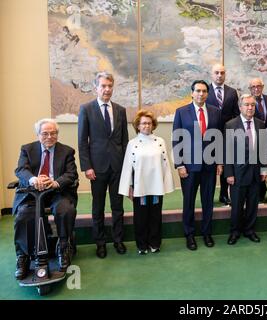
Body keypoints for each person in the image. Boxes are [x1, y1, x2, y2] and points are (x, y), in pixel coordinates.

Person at [13, 118, 78, 279]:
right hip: (33, 192)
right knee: (24, 214)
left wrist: (55, 182)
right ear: (38, 134)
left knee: (65, 210)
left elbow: (71, 174)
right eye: (45, 133)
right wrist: (34, 180)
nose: (49, 137)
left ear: (57, 134)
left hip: (57, 192)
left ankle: (63, 248)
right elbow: (21, 170)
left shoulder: (67, 151)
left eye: (53, 133)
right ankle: (23, 256)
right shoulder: (27, 149)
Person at [78, 71, 129, 258]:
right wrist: (87, 167)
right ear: (96, 88)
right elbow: (83, 141)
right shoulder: (86, 109)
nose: (107, 89)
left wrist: (126, 166)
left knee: (118, 206)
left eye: (110, 86)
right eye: (103, 86)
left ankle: (118, 240)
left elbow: (125, 141)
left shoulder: (121, 110)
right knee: (98, 207)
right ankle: (100, 243)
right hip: (97, 168)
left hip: (117, 166)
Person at [172, 80, 223, 250]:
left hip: (209, 165)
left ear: (207, 94)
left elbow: (219, 139)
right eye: (198, 91)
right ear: (192, 93)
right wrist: (179, 165)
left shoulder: (216, 112)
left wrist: (220, 162)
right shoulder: (181, 112)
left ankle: (207, 233)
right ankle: (190, 235)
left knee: (208, 201)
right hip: (189, 166)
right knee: (189, 202)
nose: (201, 94)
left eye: (204, 91)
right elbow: (176, 139)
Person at [119, 110, 174, 254]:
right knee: (140, 217)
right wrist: (128, 187)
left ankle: (155, 243)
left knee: (155, 215)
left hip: (156, 185)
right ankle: (141, 245)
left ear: (153, 125)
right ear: (137, 125)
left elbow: (165, 164)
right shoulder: (132, 144)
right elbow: (127, 167)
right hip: (139, 186)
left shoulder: (160, 142)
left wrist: (166, 184)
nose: (146, 126)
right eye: (143, 123)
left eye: (149, 123)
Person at [224, 94, 267, 245]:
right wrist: (228, 173)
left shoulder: (261, 124)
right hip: (237, 173)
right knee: (236, 205)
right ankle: (235, 232)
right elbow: (227, 151)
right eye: (247, 105)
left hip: (256, 173)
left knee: (252, 204)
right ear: (240, 107)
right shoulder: (231, 125)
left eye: (252, 105)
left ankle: (249, 230)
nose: (250, 108)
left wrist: (264, 170)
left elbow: (264, 149)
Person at [206, 64, 240, 206]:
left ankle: (224, 194)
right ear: (211, 74)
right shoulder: (204, 91)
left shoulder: (232, 92)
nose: (219, 75)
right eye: (216, 72)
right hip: (209, 135)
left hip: (228, 135)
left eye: (222, 72)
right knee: (210, 166)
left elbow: (236, 114)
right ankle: (208, 195)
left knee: (226, 165)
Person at [249, 77, 267, 203]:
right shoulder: (247, 102)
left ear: (262, 87)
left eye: (258, 86)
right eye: (253, 87)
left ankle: (262, 193)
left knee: (265, 166)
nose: (256, 89)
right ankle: (252, 194)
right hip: (253, 140)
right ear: (250, 89)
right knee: (255, 167)